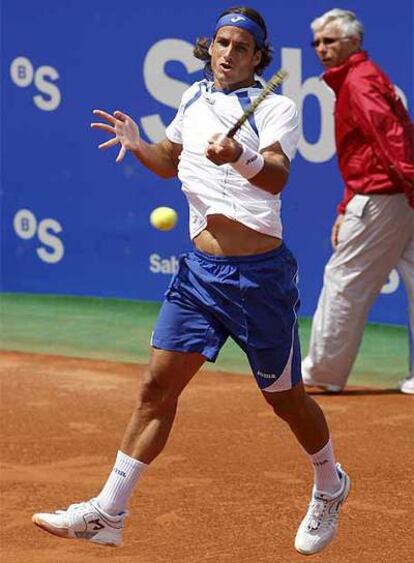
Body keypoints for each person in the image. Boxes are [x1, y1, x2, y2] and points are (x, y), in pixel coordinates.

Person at [32, 7, 350, 556]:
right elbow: (168, 159)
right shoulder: (193, 98)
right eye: (222, 43)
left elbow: (275, 177)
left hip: (259, 280)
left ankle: (329, 482)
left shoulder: (276, 106)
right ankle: (109, 512)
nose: (228, 53)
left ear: (258, 58)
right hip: (200, 274)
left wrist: (243, 155)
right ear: (211, 48)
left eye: (241, 47)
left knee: (285, 398)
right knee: (157, 388)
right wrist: (139, 143)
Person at [302, 9, 414, 395]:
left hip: (385, 199)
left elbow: (392, 140)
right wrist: (344, 205)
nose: (320, 49)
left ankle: (322, 372)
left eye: (329, 41)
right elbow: (367, 150)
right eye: (316, 42)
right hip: (395, 196)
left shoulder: (360, 83)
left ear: (353, 43)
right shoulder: (360, 78)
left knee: (343, 282)